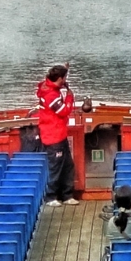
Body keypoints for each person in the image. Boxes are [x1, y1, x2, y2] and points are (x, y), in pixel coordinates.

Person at [35, 63, 85, 205]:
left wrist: (65, 69)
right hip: (53, 136)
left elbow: (58, 77)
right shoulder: (51, 95)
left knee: (67, 165)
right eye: (65, 78)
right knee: (55, 168)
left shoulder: (49, 86)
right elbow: (64, 111)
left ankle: (67, 195)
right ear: (60, 79)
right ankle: (51, 197)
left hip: (59, 135)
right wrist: (69, 97)